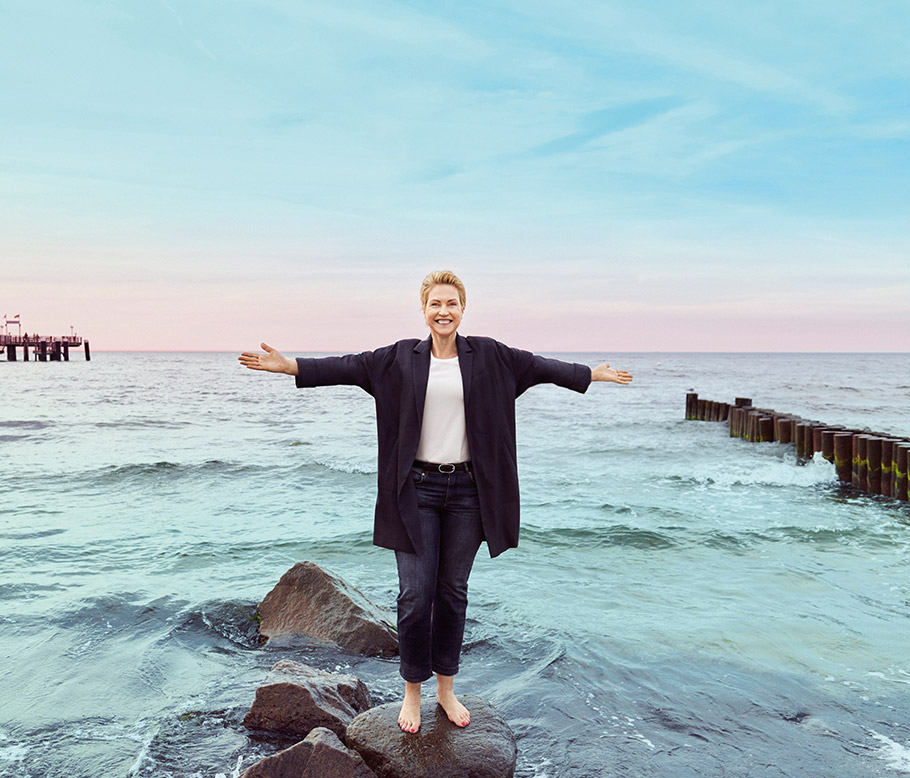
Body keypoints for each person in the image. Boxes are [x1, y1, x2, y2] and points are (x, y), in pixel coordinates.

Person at [239, 270, 632, 733]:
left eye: (451, 304)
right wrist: (291, 367)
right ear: (423, 309)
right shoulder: (398, 359)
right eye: (435, 304)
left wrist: (590, 374)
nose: (443, 311)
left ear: (463, 309)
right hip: (417, 490)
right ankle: (412, 693)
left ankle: (446, 689)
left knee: (452, 593)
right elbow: (348, 367)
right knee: (414, 595)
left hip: (469, 491)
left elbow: (541, 367)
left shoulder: (490, 356)